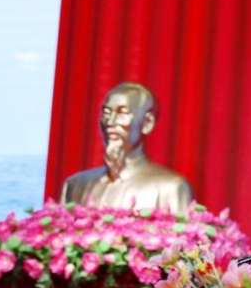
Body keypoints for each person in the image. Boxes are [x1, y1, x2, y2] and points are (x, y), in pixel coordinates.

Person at [60, 82, 194, 212]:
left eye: (122, 113)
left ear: (147, 123)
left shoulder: (170, 188)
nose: (110, 122)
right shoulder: (75, 185)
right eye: (106, 113)